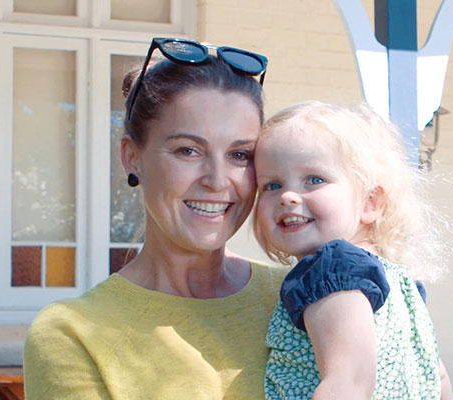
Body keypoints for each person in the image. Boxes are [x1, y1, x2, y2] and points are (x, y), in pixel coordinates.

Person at [23, 38, 283, 399]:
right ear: (132, 157)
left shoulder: (301, 297)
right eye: (188, 150)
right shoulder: (74, 333)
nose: (216, 179)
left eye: (240, 155)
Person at [253, 102, 453, 399]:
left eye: (314, 179)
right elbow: (436, 379)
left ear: (370, 202)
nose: (287, 197)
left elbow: (347, 384)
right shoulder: (402, 285)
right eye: (271, 185)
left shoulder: (331, 272)